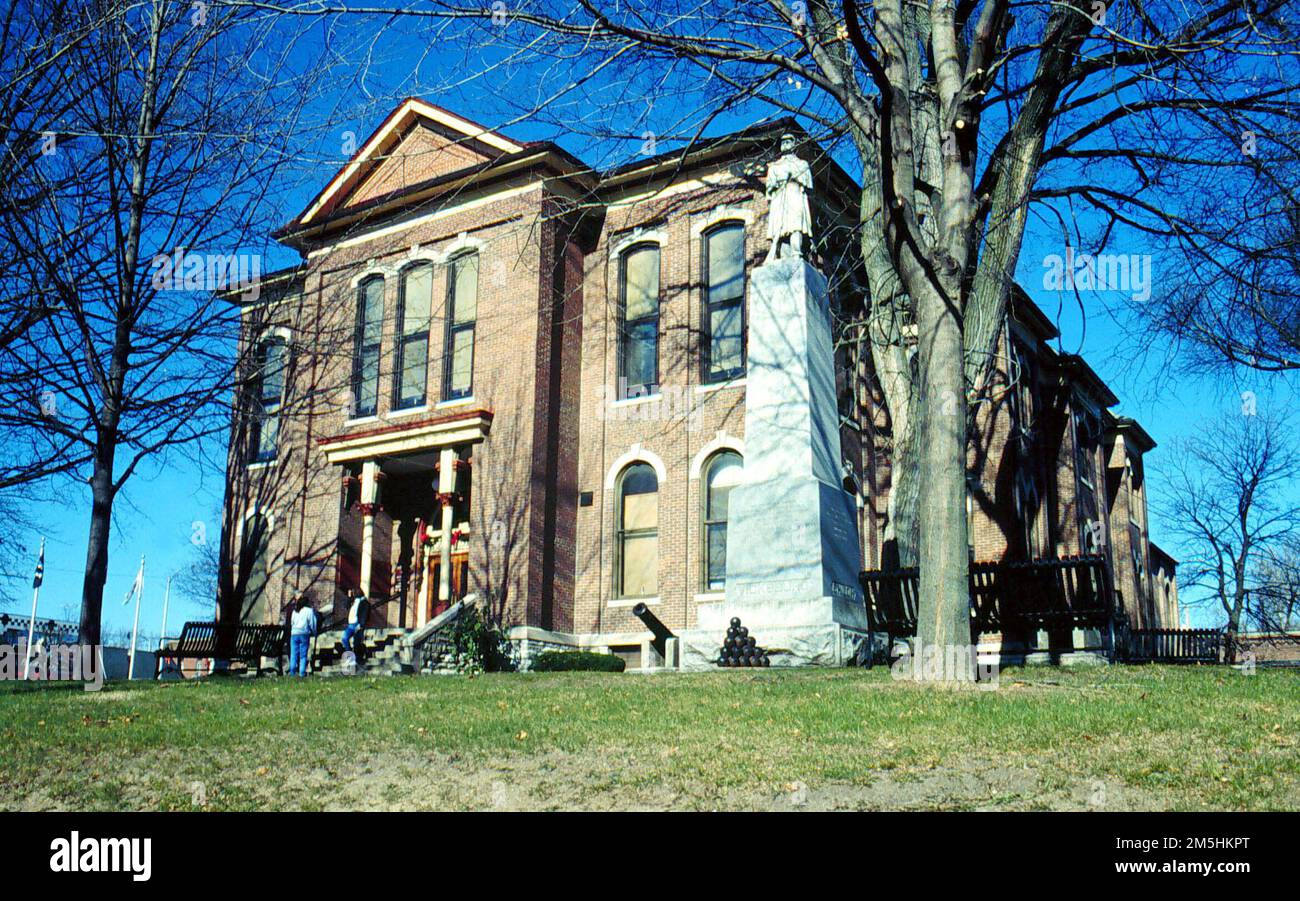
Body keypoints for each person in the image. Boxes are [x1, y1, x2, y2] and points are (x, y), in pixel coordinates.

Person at [288, 594, 317, 676]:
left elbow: (292, 622)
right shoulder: (309, 611)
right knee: (303, 655)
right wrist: (314, 632)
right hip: (304, 634)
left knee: (293, 654)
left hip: (294, 634)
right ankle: (302, 673)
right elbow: (312, 623)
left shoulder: (295, 611)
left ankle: (292, 673)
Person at [342, 591, 371, 668]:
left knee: (357, 643)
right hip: (350, 625)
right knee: (344, 639)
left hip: (357, 624)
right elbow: (346, 606)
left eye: (354, 593)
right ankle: (350, 657)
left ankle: (357, 661)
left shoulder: (364, 602)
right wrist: (349, 597)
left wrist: (361, 624)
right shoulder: (354, 601)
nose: (354, 595)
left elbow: (365, 614)